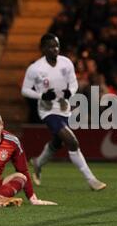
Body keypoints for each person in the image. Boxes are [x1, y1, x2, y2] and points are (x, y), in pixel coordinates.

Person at [21, 33, 106, 191]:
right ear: (43, 48)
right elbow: (25, 90)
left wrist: (70, 93)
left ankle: (38, 163)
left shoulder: (65, 63)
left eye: (57, 46)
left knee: (57, 142)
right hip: (47, 111)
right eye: (51, 46)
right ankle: (92, 180)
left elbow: (73, 83)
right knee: (72, 142)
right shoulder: (35, 68)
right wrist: (42, 95)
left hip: (64, 108)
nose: (55, 49)